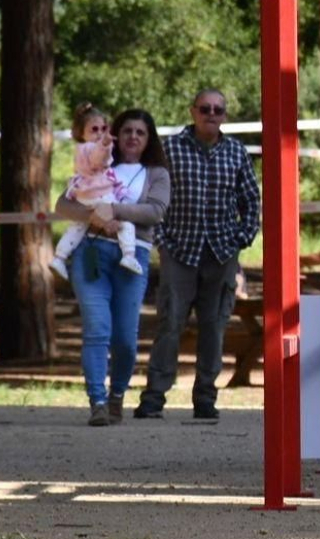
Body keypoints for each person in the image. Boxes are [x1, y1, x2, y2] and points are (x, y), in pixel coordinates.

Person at [134, 88, 261, 422]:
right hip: (179, 251)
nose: (211, 115)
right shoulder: (170, 149)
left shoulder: (236, 152)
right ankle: (154, 398)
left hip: (221, 253)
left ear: (225, 116)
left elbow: (251, 200)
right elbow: (151, 197)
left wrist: (241, 238)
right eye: (205, 109)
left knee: (214, 327)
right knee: (169, 325)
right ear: (193, 112)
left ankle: (205, 398)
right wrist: (162, 240)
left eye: (218, 110)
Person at [54, 107, 170, 426]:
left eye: (140, 132)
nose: (133, 137)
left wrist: (114, 211)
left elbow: (155, 211)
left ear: (149, 139)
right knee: (97, 329)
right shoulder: (97, 164)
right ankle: (98, 402)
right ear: (115, 134)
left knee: (125, 339)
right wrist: (94, 217)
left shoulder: (156, 173)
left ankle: (117, 393)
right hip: (92, 252)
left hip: (133, 257)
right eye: (127, 130)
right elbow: (63, 204)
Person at [49, 104, 142, 279]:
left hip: (84, 194)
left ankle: (60, 256)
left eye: (103, 128)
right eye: (94, 129)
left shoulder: (80, 148)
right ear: (81, 132)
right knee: (125, 223)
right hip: (99, 192)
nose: (100, 133)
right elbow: (98, 158)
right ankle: (129, 255)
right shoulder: (92, 147)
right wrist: (105, 144)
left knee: (78, 226)